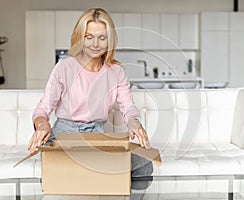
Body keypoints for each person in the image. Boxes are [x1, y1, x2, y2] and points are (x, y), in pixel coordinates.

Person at [27, 7, 153, 197]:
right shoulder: (64, 68)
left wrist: (135, 123)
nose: (95, 44)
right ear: (80, 38)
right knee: (64, 171)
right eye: (89, 37)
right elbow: (43, 108)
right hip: (64, 134)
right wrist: (42, 125)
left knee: (144, 164)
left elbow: (128, 107)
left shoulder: (116, 72)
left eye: (102, 38)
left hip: (96, 135)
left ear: (109, 40)